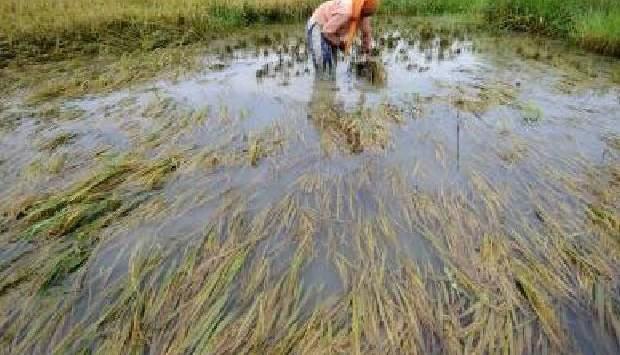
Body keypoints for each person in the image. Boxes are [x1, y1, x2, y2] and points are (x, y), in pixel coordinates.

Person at [306, 0, 379, 76]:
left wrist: (367, 52)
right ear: (362, 9)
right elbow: (326, 32)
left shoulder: (363, 13)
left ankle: (329, 85)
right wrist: (341, 44)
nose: (365, 18)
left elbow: (366, 33)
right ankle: (322, 84)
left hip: (332, 30)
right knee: (324, 62)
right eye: (365, 15)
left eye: (368, 15)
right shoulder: (346, 12)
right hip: (319, 26)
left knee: (332, 67)